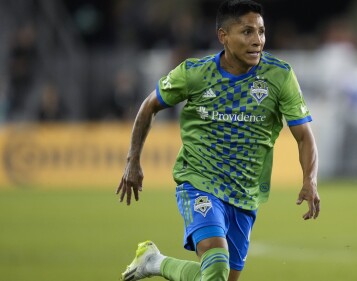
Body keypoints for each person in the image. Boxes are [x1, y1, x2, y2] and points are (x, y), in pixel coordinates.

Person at [116, 1, 320, 280]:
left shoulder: (279, 75)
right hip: (200, 182)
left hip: (244, 194)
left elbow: (304, 136)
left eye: (261, 32)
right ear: (223, 36)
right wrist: (133, 161)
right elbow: (148, 106)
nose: (257, 40)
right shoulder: (195, 73)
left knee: (218, 277)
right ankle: (155, 262)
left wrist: (310, 179)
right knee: (216, 265)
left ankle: (154, 262)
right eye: (247, 32)